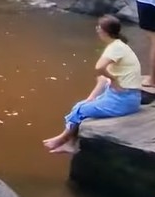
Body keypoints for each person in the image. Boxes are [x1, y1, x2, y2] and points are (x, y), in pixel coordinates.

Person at [42, 15, 142, 153]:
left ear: (104, 31)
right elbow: (102, 76)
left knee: (81, 110)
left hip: (123, 99)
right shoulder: (118, 45)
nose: (97, 30)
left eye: (98, 28)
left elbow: (99, 68)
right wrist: (93, 95)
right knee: (80, 106)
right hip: (123, 96)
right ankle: (66, 140)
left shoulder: (115, 48)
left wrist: (113, 79)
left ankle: (64, 140)